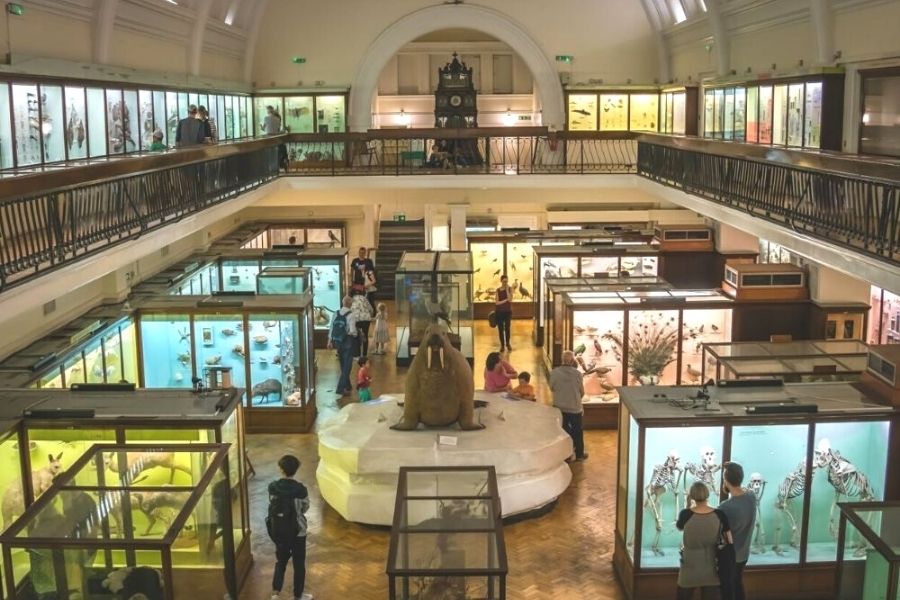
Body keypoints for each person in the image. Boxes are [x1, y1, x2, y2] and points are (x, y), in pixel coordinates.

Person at [267, 454, 313, 600]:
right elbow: (305, 507)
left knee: (280, 561)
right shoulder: (301, 490)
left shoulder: (273, 487)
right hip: (298, 531)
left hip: (279, 531)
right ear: (296, 470)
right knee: (299, 564)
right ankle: (298, 596)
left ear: (281, 469)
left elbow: (272, 505)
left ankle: (275, 593)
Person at [676, 482, 733, 600]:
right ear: (707, 494)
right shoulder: (719, 514)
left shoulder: (685, 514)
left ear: (691, 496)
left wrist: (687, 504)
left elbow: (679, 527)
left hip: (689, 564)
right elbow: (729, 540)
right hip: (711, 563)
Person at [718, 462, 756, 600]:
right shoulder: (751, 497)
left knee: (727, 587)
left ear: (726, 480)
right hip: (744, 553)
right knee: (737, 582)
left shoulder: (725, 507)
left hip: (730, 556)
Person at [550, 350, 587, 461]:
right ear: (572, 361)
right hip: (575, 407)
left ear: (562, 360)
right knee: (577, 430)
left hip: (559, 406)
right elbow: (582, 392)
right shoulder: (578, 374)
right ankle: (579, 454)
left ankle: (565, 454)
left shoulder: (554, 372)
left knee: (562, 430)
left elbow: (552, 388)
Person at [327, 296, 357, 397]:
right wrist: (356, 334)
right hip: (348, 341)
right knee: (347, 366)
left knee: (343, 363)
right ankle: (340, 389)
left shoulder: (335, 313)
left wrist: (329, 341)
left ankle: (347, 386)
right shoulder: (351, 315)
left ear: (342, 303)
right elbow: (352, 331)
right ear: (351, 304)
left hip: (338, 341)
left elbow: (331, 327)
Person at [350, 291, 374, 358]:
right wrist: (370, 315)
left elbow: (350, 309)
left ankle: (357, 354)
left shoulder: (352, 299)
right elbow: (371, 309)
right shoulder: (364, 298)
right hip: (366, 319)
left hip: (356, 319)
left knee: (356, 335)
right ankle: (364, 354)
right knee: (365, 335)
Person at [494, 275, 513, 351]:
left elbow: (510, 299)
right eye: (504, 281)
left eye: (506, 281)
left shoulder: (510, 289)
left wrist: (507, 290)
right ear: (501, 281)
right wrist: (505, 300)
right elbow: (497, 302)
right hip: (499, 312)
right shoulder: (498, 290)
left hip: (507, 312)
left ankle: (508, 343)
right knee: (500, 329)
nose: (505, 283)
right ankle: (502, 345)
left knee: (507, 328)